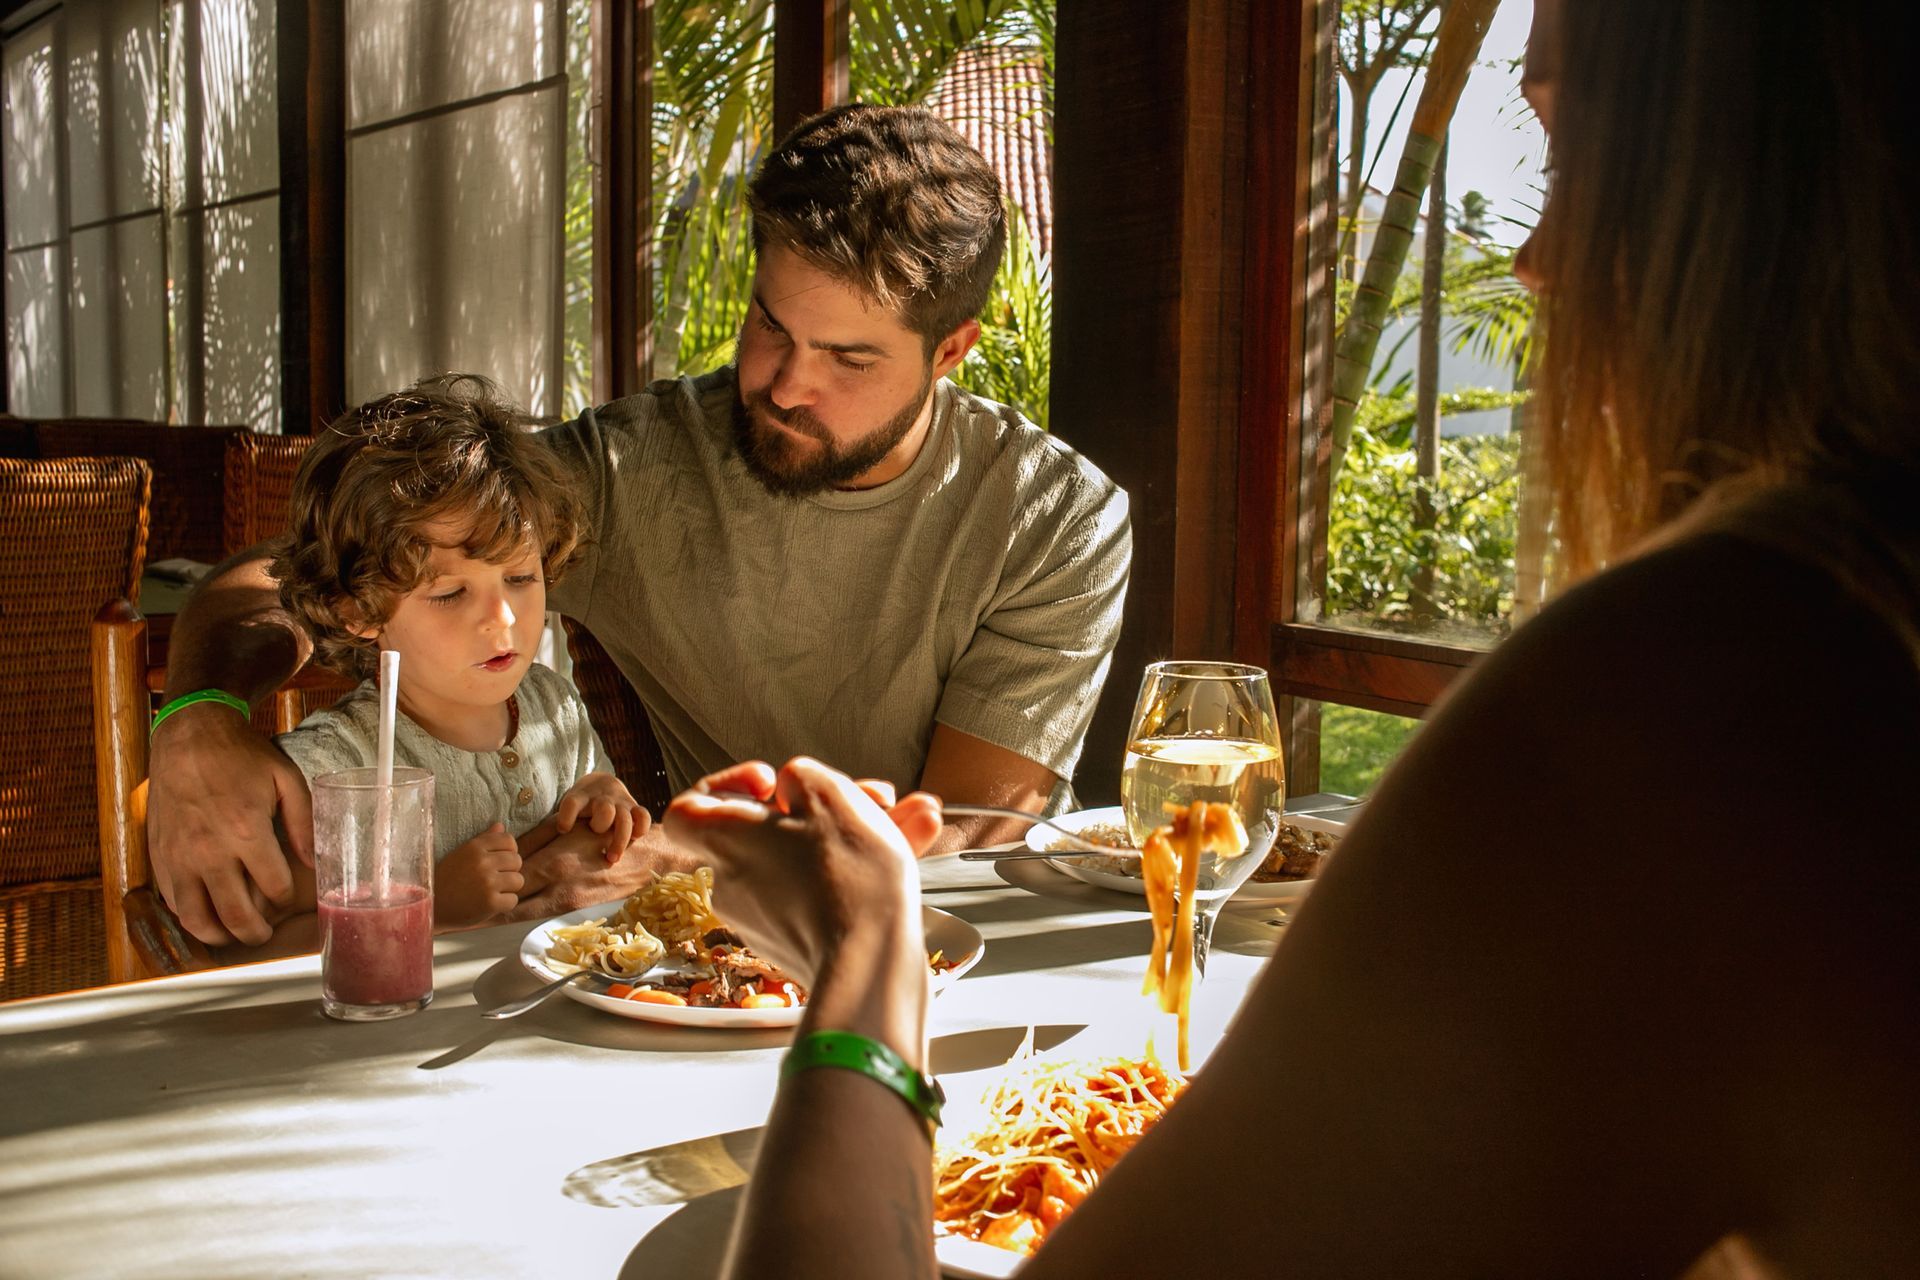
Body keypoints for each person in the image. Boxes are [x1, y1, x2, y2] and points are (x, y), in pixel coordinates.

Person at [661, 3, 1920, 1276]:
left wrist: (867, 961)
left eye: (1564, 150)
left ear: (1762, 182)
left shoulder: (1721, 693)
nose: (1533, 257)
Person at [147, 104, 1131, 947]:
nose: (788, 384)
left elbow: (967, 828)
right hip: (725, 952)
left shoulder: (1055, 518)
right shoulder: (637, 466)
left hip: (979, 939)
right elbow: (285, 578)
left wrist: (670, 854)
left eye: (849, 359)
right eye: (770, 327)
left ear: (950, 349)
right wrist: (199, 715)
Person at [216, 376, 654, 958]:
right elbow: (254, 949)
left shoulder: (554, 706)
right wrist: (429, 908)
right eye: (450, 594)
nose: (501, 619)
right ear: (356, 610)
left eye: (521, 579)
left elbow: (589, 869)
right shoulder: (334, 772)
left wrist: (608, 806)